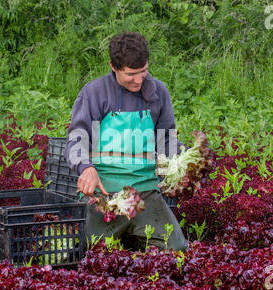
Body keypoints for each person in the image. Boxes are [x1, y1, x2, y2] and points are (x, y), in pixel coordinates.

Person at [65, 31, 188, 251]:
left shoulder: (158, 92)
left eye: (144, 71)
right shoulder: (94, 93)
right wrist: (86, 168)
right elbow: (76, 139)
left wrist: (182, 163)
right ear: (113, 66)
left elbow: (166, 140)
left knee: (177, 250)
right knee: (95, 255)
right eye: (131, 74)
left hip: (146, 191)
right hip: (105, 195)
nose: (139, 80)